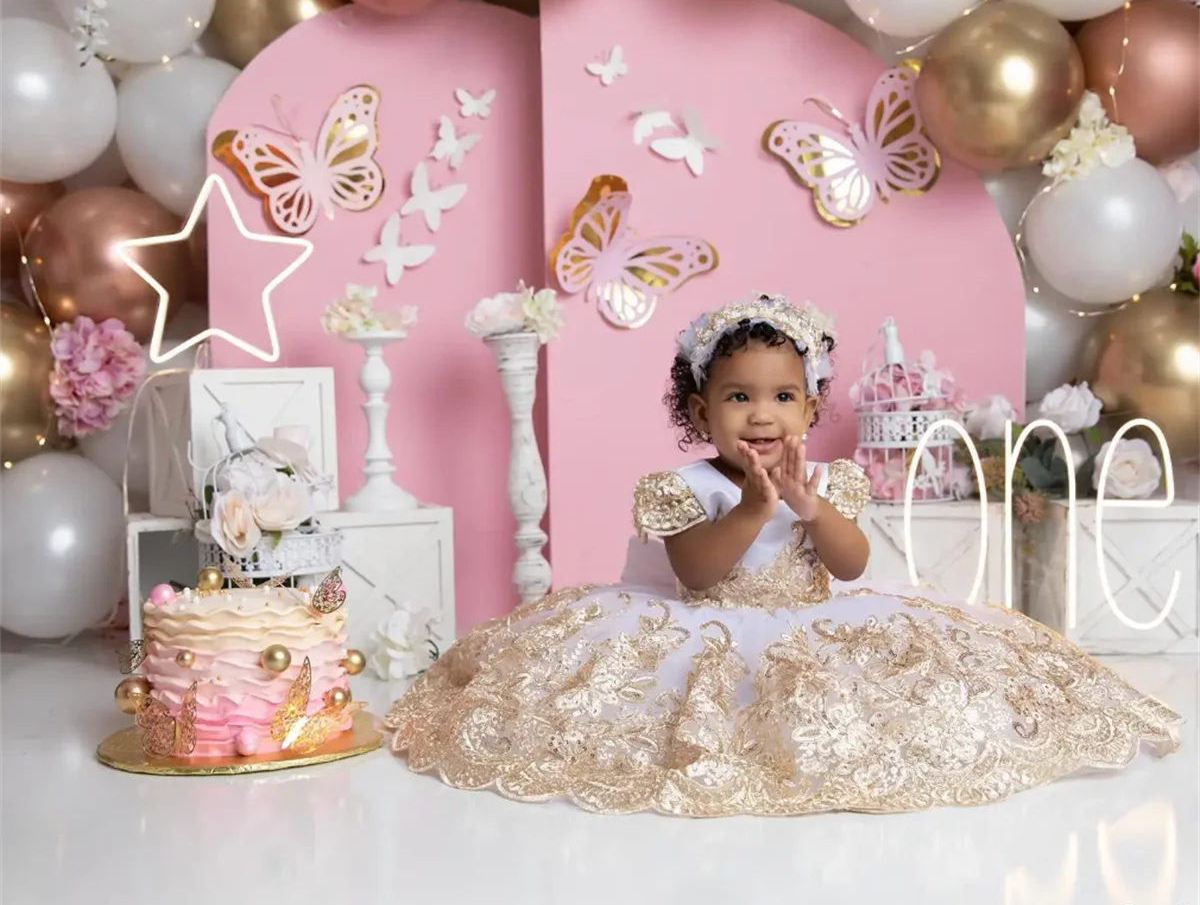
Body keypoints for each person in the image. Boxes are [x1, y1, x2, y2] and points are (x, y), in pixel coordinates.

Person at [384, 294, 1180, 817]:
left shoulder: (824, 479)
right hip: (697, 621)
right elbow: (697, 574)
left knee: (873, 686)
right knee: (695, 699)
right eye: (738, 397)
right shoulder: (683, 485)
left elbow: (855, 563)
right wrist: (756, 506)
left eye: (782, 397)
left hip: (805, 618)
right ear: (700, 410)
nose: (761, 416)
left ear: (810, 406)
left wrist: (805, 506)